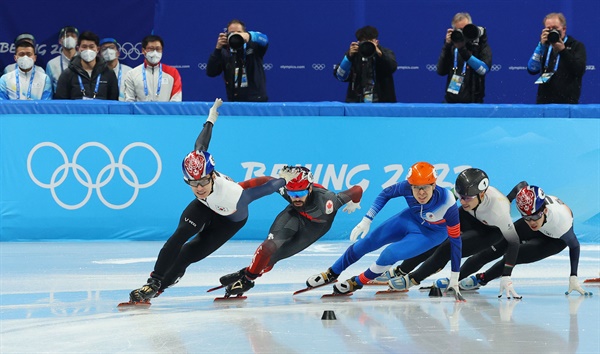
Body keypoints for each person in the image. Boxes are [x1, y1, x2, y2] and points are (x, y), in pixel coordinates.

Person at [127, 99, 287, 304]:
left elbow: (266, 189)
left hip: (229, 219)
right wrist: (211, 117)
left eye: (202, 181)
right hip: (206, 206)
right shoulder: (198, 165)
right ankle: (153, 284)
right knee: (179, 237)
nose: (198, 188)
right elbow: (201, 143)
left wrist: (284, 180)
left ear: (212, 176)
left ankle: (165, 284)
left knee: (187, 254)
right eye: (192, 183)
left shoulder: (233, 193)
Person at [305, 162, 463, 299]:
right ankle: (332, 273)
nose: (420, 193)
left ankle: (357, 282)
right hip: (410, 219)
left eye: (425, 188)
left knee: (390, 254)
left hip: (431, 233)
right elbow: (385, 194)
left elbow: (456, 242)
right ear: (411, 185)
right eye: (416, 188)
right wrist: (367, 219)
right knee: (366, 242)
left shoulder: (447, 203)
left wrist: (454, 278)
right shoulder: (406, 187)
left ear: (434, 186)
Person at [377, 168, 522, 299]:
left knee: (448, 247)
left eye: (467, 198)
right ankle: (401, 270)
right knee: (434, 236)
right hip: (470, 216)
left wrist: (506, 275)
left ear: (482, 194)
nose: (462, 201)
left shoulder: (500, 211)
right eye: (461, 196)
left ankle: (413, 279)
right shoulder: (465, 194)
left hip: (490, 231)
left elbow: (514, 242)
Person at [219, 166, 364, 296]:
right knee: (268, 247)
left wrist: (355, 202)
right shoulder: (289, 192)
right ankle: (248, 280)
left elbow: (357, 189)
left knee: (275, 256)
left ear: (310, 188)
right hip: (294, 215)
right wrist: (239, 186)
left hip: (315, 227)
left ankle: (249, 272)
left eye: (300, 193)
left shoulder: (327, 201)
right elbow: (266, 180)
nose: (296, 198)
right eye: (291, 194)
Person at [459, 185, 591, 296]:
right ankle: (454, 279)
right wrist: (509, 199)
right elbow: (522, 185)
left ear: (544, 210)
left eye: (534, 217)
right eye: (526, 218)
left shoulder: (561, 223)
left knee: (516, 256)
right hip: (540, 222)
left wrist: (573, 276)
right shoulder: (531, 214)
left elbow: (574, 246)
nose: (531, 222)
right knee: (495, 248)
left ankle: (481, 279)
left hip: (553, 240)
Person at [527, 12, 587, 104]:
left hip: (568, 102)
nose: (552, 32)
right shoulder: (544, 46)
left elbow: (579, 70)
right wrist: (541, 46)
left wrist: (563, 51)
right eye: (548, 29)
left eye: (555, 28)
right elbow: (532, 69)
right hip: (544, 102)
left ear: (564, 29)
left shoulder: (576, 46)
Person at [206, 19, 269, 102]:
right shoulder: (225, 52)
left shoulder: (254, 47)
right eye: (231, 33)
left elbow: (265, 40)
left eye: (239, 32)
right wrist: (218, 49)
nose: (235, 35)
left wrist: (249, 36)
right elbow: (211, 72)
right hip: (234, 100)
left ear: (244, 33)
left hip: (257, 99)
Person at [436, 12, 492, 103]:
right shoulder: (451, 47)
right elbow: (441, 71)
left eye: (465, 29)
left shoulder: (480, 46)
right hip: (450, 102)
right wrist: (447, 46)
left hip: (474, 103)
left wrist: (463, 50)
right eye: (459, 30)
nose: (463, 34)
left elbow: (483, 70)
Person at [333, 25, 397, 103]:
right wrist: (348, 57)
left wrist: (379, 53)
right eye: (363, 41)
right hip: (356, 104)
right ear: (358, 42)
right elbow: (340, 76)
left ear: (376, 42)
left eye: (369, 41)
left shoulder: (385, 52)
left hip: (382, 104)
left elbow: (392, 67)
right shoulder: (354, 54)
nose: (366, 45)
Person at [54, 31, 119, 100]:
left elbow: (113, 101)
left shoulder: (109, 73)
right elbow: (61, 103)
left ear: (97, 49)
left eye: (91, 47)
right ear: (78, 49)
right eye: (84, 47)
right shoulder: (67, 74)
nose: (88, 50)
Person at [123, 34, 182, 102]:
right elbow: (129, 101)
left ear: (162, 50)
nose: (155, 52)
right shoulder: (132, 74)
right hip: (140, 112)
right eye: (151, 49)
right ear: (143, 51)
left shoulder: (173, 73)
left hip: (165, 112)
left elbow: (176, 100)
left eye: (158, 49)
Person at [46, 26, 79, 93]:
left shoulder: (84, 61)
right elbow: (49, 90)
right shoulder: (52, 64)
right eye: (66, 36)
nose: (70, 38)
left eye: (73, 36)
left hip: (80, 100)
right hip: (60, 101)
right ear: (60, 41)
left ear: (77, 41)